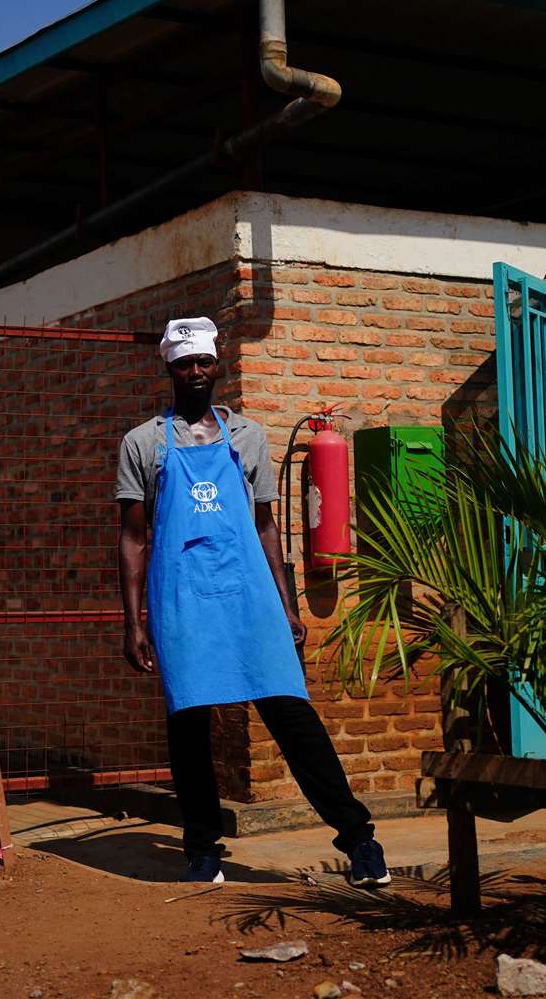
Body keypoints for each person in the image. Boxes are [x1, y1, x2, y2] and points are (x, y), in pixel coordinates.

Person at [115, 316, 390, 886]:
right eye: (184, 363)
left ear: (217, 366)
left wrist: (287, 604)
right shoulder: (142, 443)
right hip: (183, 602)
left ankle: (360, 841)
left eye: (204, 362)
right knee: (189, 724)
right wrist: (134, 620)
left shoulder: (248, 438)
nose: (195, 372)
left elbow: (267, 527)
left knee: (292, 714)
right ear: (169, 368)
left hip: (249, 597)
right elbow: (134, 537)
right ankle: (203, 850)